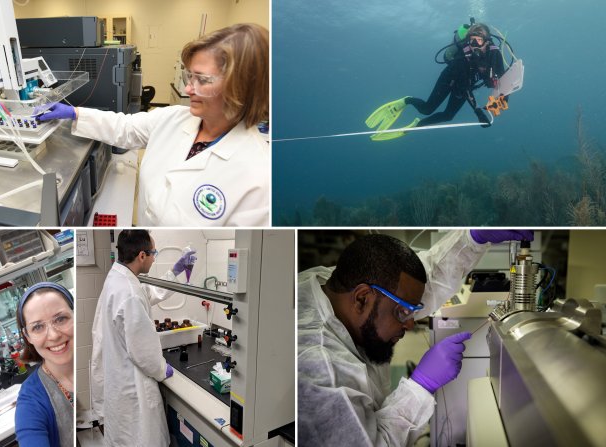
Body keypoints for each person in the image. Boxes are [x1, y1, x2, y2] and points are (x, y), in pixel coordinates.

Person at [298, 229, 533, 446]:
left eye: (412, 310)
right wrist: (420, 387)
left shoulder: (339, 286)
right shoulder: (319, 369)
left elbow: (416, 284)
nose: (411, 322)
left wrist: (471, 239)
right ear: (361, 299)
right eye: (402, 312)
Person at [38, 24, 269, 226]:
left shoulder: (259, 178)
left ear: (241, 88)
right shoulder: (175, 117)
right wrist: (74, 113)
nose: (188, 89)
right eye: (190, 76)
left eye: (203, 80)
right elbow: (125, 127)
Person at [90, 230, 195, 447]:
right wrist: (160, 368)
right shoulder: (128, 292)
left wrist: (175, 272)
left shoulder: (118, 278)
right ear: (141, 256)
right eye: (153, 252)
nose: (155, 257)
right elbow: (145, 353)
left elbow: (147, 294)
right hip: (132, 392)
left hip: (119, 383)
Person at [366, 23, 506, 140]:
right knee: (427, 109)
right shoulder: (464, 57)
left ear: (487, 41)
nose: (474, 45)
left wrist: (500, 102)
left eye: (478, 41)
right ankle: (407, 101)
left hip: (465, 85)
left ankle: (417, 125)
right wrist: (478, 113)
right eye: (471, 40)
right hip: (449, 78)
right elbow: (465, 88)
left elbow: (504, 82)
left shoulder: (495, 55)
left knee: (448, 116)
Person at [14, 282, 74, 447]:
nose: (54, 335)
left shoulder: (103, 366)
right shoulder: (31, 401)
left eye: (61, 319)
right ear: (28, 337)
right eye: (38, 327)